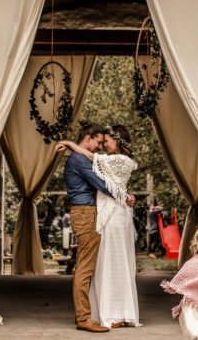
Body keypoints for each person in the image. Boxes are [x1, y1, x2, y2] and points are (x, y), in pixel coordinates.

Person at [57, 123, 140, 328]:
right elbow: (102, 183)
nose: (101, 146)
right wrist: (125, 195)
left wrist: (125, 195)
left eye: (106, 142)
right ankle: (85, 317)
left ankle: (94, 314)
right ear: (88, 138)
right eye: (99, 142)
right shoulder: (79, 159)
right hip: (86, 213)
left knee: (91, 265)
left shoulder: (89, 157)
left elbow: (107, 180)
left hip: (96, 212)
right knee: (86, 267)